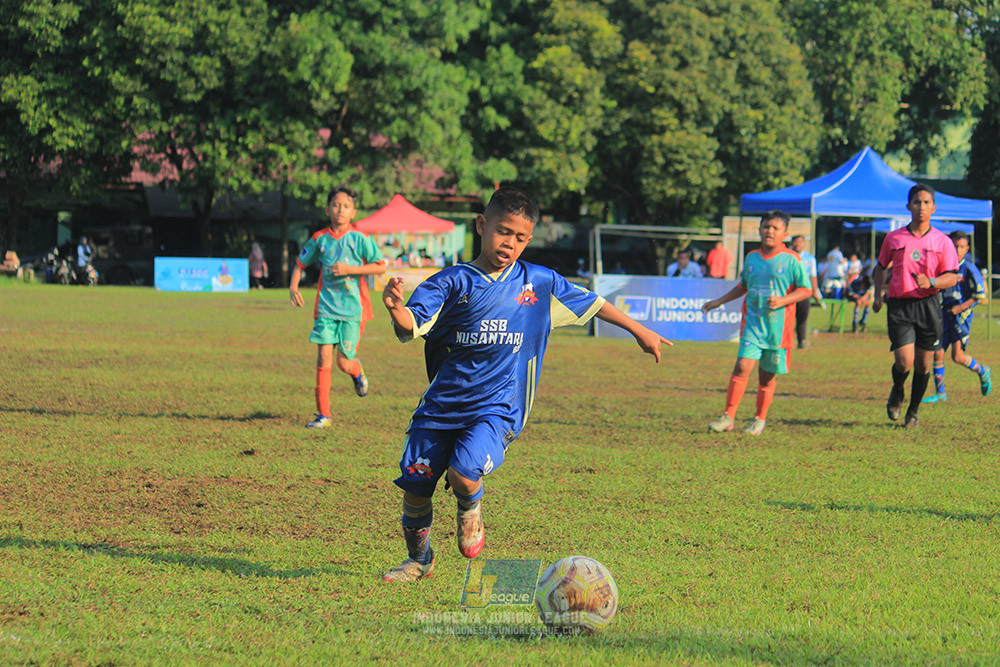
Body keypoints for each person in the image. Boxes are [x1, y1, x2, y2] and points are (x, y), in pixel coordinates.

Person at [380, 187, 671, 582]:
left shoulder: (540, 283)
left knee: (464, 473)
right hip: (441, 407)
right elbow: (412, 324)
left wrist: (640, 331)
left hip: (497, 409)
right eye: (502, 231)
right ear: (482, 225)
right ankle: (419, 559)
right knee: (416, 487)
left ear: (529, 239)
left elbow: (596, 303)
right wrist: (396, 306)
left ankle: (471, 508)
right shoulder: (450, 283)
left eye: (519, 237)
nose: (509, 244)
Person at [702, 210, 812, 436]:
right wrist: (720, 301)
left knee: (766, 375)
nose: (769, 231)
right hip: (752, 324)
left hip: (778, 331)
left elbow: (805, 290)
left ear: (785, 233)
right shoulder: (751, 257)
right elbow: (743, 286)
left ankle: (759, 419)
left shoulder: (793, 260)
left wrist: (783, 300)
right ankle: (728, 417)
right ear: (759, 229)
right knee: (742, 366)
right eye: (765, 227)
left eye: (775, 228)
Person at [289, 185, 387, 428]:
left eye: (346, 206)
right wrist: (293, 287)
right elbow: (300, 264)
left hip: (353, 311)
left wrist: (350, 270)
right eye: (335, 205)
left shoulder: (360, 239)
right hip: (325, 309)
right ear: (327, 209)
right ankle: (324, 415)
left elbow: (380, 266)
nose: (340, 210)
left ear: (353, 212)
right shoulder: (319, 239)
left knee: (343, 362)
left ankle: (356, 372)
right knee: (323, 359)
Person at [872, 184, 960, 428]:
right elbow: (880, 266)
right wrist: (879, 295)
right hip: (900, 305)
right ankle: (897, 391)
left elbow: (952, 276)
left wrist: (932, 281)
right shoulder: (894, 238)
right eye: (916, 202)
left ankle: (913, 412)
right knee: (904, 361)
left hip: (930, 306)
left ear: (933, 207)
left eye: (925, 203)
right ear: (908, 206)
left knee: (923, 364)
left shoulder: (943, 242)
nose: (921, 207)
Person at [922, 230, 991, 403]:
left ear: (966, 249)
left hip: (962, 315)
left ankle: (983, 371)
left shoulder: (969, 268)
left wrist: (960, 308)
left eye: (961, 247)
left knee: (957, 356)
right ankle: (941, 393)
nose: (957, 250)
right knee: (937, 353)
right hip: (944, 313)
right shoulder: (944, 267)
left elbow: (980, 295)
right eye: (954, 246)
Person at [790, 235, 822, 349]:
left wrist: (815, 292)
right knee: (788, 318)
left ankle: (801, 341)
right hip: (789, 293)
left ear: (804, 244)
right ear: (792, 243)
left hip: (804, 293)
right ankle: (786, 341)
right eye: (796, 242)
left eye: (800, 242)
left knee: (802, 318)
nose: (798, 244)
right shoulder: (787, 256)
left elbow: (813, 276)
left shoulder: (810, 259)